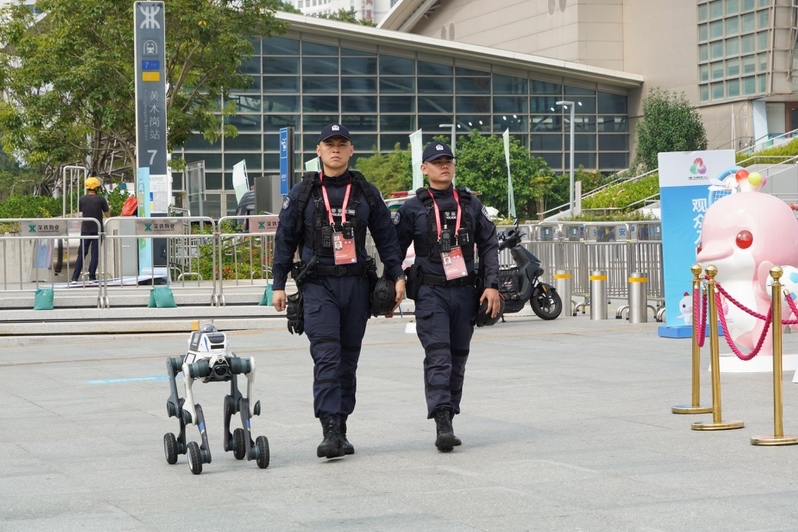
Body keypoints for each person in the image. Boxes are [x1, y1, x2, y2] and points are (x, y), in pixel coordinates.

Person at [272, 123, 407, 460]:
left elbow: (387, 238)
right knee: (327, 356)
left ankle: (342, 425)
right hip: (318, 286)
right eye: (328, 144)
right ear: (318, 150)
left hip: (357, 286)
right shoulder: (303, 193)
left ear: (350, 150)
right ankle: (329, 428)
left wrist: (397, 276)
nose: (335, 149)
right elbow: (284, 240)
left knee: (348, 360)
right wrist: (278, 284)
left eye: (341, 144)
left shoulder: (366, 192)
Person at [394, 141, 501, 452]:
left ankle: (450, 413)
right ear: (424, 168)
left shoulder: (471, 204)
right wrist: (395, 281)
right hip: (431, 292)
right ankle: (442, 421)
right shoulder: (412, 208)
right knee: (438, 355)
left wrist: (491, 285)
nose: (444, 166)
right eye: (437, 162)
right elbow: (393, 250)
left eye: (448, 161)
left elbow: (489, 243)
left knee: (458, 357)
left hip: (465, 291)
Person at [72, 175, 110, 282]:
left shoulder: (82, 199)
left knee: (82, 253)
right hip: (98, 230)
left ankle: (75, 277)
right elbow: (108, 214)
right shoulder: (101, 199)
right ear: (97, 188)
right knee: (95, 253)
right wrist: (108, 207)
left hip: (85, 229)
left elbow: (81, 212)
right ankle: (92, 276)